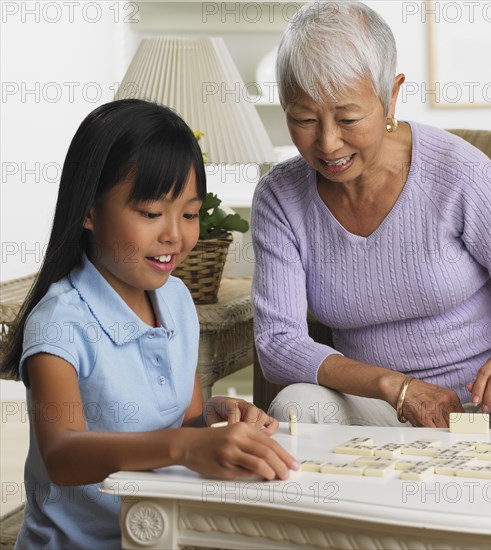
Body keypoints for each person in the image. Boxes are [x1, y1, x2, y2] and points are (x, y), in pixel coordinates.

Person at [251, 1, 491, 431]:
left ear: (391, 95)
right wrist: (397, 387)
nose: (328, 143)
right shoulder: (280, 196)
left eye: (348, 118)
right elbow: (279, 344)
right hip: (377, 405)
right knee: (298, 404)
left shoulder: (460, 172)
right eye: (305, 119)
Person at [0, 99, 298, 549]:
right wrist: (186, 448)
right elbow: (61, 455)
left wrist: (214, 425)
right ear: (89, 211)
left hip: (165, 530)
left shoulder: (177, 300)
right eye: (151, 213)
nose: (174, 235)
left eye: (190, 213)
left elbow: (187, 424)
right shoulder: (59, 323)